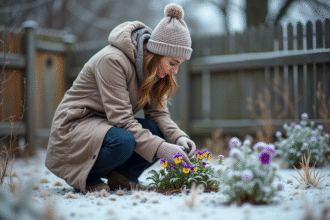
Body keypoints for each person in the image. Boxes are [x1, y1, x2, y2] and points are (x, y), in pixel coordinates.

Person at [45, 3, 196, 194]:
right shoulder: (112, 60)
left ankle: (123, 178)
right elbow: (122, 121)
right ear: (157, 53)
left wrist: (179, 138)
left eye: (179, 64)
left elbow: (158, 114)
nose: (175, 70)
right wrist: (161, 148)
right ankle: (88, 178)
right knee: (124, 140)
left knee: (157, 131)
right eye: (173, 63)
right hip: (74, 129)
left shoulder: (155, 72)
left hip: (105, 126)